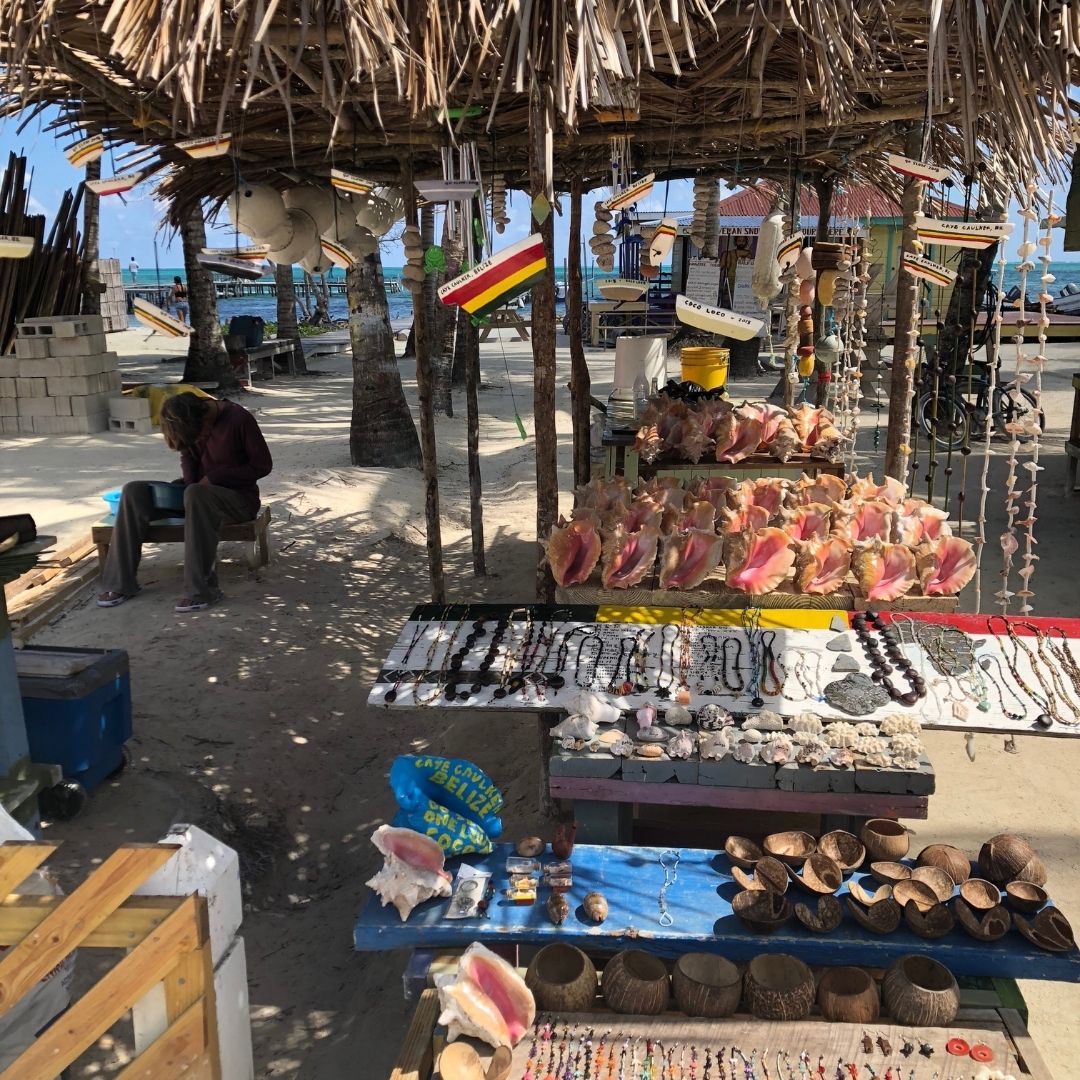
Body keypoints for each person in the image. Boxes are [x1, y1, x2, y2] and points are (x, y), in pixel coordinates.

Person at [97, 393, 272, 613]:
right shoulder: (192, 426)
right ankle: (120, 584)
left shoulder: (239, 419)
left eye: (199, 438)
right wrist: (188, 485)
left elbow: (262, 466)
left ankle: (202, 591)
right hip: (197, 494)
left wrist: (215, 478)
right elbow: (187, 457)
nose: (197, 443)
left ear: (205, 419)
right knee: (134, 491)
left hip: (237, 499)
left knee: (196, 494)